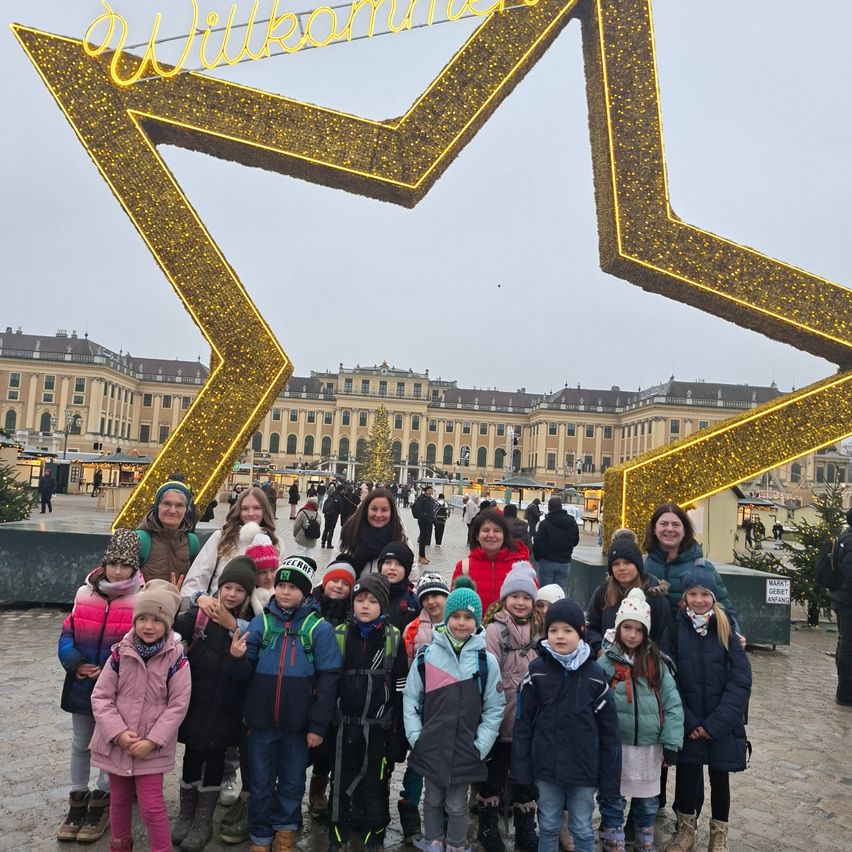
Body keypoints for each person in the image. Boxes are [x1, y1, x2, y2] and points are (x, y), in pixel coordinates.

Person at [227, 556, 341, 852]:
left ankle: (285, 832)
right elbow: (242, 674)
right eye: (281, 586)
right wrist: (237, 658)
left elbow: (329, 680)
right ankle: (260, 836)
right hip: (261, 723)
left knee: (292, 782)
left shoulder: (319, 629)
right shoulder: (261, 622)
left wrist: (318, 725)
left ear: (305, 592)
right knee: (260, 782)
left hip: (298, 726)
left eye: (292, 587)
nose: (285, 591)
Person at [511, 599, 621, 852]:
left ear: (580, 632)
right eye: (553, 630)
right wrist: (521, 771)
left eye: (567, 630)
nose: (560, 636)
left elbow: (610, 733)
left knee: (582, 828)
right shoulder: (536, 673)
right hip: (546, 768)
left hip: (583, 770)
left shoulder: (595, 676)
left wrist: (609, 779)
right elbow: (523, 725)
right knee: (548, 825)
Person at [89, 580, 190, 852]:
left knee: (152, 805)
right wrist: (118, 733)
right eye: (143, 618)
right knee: (119, 801)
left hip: (150, 749)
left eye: (156, 620)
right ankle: (120, 845)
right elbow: (101, 697)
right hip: (118, 745)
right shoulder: (119, 654)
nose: (148, 626)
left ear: (167, 624)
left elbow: (178, 705)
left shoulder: (176, 659)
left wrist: (152, 741)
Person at [403, 584, 504, 852]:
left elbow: (494, 708)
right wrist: (416, 736)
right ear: (447, 618)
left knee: (457, 804)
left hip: (465, 747)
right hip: (431, 744)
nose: (461, 622)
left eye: (468, 617)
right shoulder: (426, 656)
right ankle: (433, 840)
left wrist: (481, 745)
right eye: (456, 616)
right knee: (432, 799)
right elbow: (411, 698)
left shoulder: (486, 662)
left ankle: (457, 844)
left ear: (477, 621)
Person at [56, 529, 142, 844]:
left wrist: (111, 669)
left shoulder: (140, 599)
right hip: (81, 680)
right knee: (81, 743)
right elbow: (68, 632)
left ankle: (102, 800)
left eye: (125, 565)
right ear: (104, 564)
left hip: (116, 687)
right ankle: (77, 798)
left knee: (111, 744)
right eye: (113, 564)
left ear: (134, 567)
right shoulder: (84, 594)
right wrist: (74, 661)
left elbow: (138, 642)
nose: (118, 571)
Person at [663, 567, 752, 852]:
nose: (699, 600)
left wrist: (716, 724)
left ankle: (719, 834)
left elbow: (740, 680)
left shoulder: (726, 630)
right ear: (685, 597)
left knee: (720, 777)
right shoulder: (675, 630)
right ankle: (685, 830)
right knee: (687, 776)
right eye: (693, 594)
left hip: (720, 723)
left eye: (704, 594)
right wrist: (688, 721)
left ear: (713, 597)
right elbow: (667, 679)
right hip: (688, 719)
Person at [171, 557, 256, 851]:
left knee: (216, 758)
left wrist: (237, 652)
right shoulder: (200, 616)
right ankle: (186, 814)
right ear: (219, 587)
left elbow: (248, 668)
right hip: (197, 700)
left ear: (247, 594)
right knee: (192, 755)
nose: (231, 594)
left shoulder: (249, 626)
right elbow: (171, 628)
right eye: (227, 587)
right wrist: (174, 601)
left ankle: (203, 820)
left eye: (239, 590)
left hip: (227, 707)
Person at [597, 589, 684, 852]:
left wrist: (672, 742)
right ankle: (612, 839)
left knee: (647, 801)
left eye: (638, 629)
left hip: (649, 746)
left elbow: (672, 703)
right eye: (627, 628)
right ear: (618, 628)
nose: (632, 635)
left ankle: (645, 839)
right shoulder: (605, 664)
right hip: (616, 745)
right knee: (612, 797)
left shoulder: (657, 663)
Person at [327, 574, 409, 851]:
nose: (365, 605)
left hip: (377, 728)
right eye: (360, 599)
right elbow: (328, 683)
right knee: (339, 783)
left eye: (372, 601)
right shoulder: (339, 635)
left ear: (382, 605)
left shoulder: (393, 638)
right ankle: (336, 835)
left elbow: (400, 688)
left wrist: (398, 735)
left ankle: (375, 835)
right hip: (343, 726)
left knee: (376, 784)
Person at [479, 563, 542, 852]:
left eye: (526, 597)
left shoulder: (539, 629)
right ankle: (488, 826)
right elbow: (489, 671)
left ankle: (525, 828)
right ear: (505, 598)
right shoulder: (495, 630)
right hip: (499, 717)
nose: (520, 602)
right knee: (492, 775)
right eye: (515, 596)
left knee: (525, 778)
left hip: (528, 719)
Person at [642, 503, 745, 647]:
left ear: (685, 530)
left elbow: (725, 611)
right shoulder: (641, 565)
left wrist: (736, 636)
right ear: (654, 529)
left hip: (690, 649)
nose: (669, 529)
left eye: (676, 524)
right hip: (648, 647)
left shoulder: (703, 568)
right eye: (663, 524)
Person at [306, 555, 358, 819]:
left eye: (345, 583)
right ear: (324, 582)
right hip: (308, 681)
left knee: (328, 743)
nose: (338, 586)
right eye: (334, 581)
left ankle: (318, 789)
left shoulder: (353, 612)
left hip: (338, 684)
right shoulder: (310, 606)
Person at [182, 488, 279, 601]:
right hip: (218, 606)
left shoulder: (275, 543)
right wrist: (199, 598)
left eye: (257, 508)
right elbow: (197, 578)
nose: (251, 513)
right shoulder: (222, 538)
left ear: (264, 511)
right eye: (245, 508)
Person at [586, 533, 672, 657]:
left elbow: (663, 638)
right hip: (608, 662)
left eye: (627, 562)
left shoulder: (655, 598)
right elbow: (591, 626)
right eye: (616, 564)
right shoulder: (603, 593)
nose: (622, 568)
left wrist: (650, 660)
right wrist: (599, 649)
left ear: (638, 565)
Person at [452, 508, 531, 612]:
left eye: (497, 531)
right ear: (477, 536)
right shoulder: (463, 568)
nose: (491, 535)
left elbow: (532, 601)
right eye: (486, 530)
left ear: (504, 535)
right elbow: (454, 607)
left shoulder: (520, 566)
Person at [135, 480, 200, 584]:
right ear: (157, 506)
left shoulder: (192, 542)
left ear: (186, 510)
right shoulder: (141, 539)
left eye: (179, 505)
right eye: (167, 504)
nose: (172, 510)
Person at [340, 488, 408, 576]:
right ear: (366, 510)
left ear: (391, 512)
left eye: (384, 510)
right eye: (374, 509)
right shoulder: (351, 531)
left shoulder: (400, 535)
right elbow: (335, 569)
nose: (378, 515)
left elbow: (410, 572)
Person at [823, 509, 852, 706]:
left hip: (842, 599)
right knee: (848, 645)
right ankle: (846, 693)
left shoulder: (845, 536)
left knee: (845, 643)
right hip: (848, 601)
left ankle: (844, 690)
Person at [533, 497, 580, 593]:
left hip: (547, 561)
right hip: (565, 562)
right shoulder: (571, 522)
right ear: (561, 506)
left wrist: (538, 557)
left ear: (549, 508)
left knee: (545, 592)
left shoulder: (545, 523)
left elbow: (538, 543)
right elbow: (575, 541)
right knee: (559, 592)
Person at [378, 542, 420, 632]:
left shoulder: (413, 602)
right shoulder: (370, 594)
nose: (392, 567)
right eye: (388, 562)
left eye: (399, 564)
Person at [412, 485, 437, 565]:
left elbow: (431, 510)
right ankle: (421, 556)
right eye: (429, 490)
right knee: (423, 538)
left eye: (431, 491)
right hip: (423, 521)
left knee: (425, 538)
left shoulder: (431, 499)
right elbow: (417, 509)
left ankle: (422, 556)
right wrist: (423, 515)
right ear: (425, 491)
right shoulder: (421, 498)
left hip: (429, 520)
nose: (430, 492)